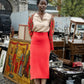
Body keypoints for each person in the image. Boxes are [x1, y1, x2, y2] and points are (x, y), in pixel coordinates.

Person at [28, 0, 55, 84]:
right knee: (35, 66)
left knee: (44, 66)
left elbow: (51, 31)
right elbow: (30, 29)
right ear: (37, 5)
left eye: (45, 4)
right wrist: (36, 37)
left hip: (45, 43)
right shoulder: (32, 17)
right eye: (41, 4)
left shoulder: (50, 17)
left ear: (46, 5)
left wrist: (49, 44)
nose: (43, 5)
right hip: (35, 43)